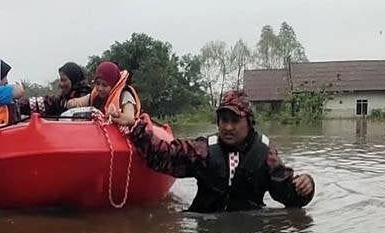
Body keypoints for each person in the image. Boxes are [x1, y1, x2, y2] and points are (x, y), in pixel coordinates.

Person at [128, 91, 315, 212]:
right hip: (206, 231)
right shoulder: (203, 150)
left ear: (249, 123)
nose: (228, 127)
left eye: (235, 121)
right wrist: (136, 129)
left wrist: (306, 186)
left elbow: (290, 197)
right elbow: (163, 156)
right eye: (223, 120)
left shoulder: (266, 155)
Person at [63, 61, 141, 126]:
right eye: (97, 83)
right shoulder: (95, 94)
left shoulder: (125, 95)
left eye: (105, 85)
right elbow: (77, 103)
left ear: (113, 84)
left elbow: (130, 119)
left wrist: (114, 115)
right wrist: (67, 104)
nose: (100, 88)